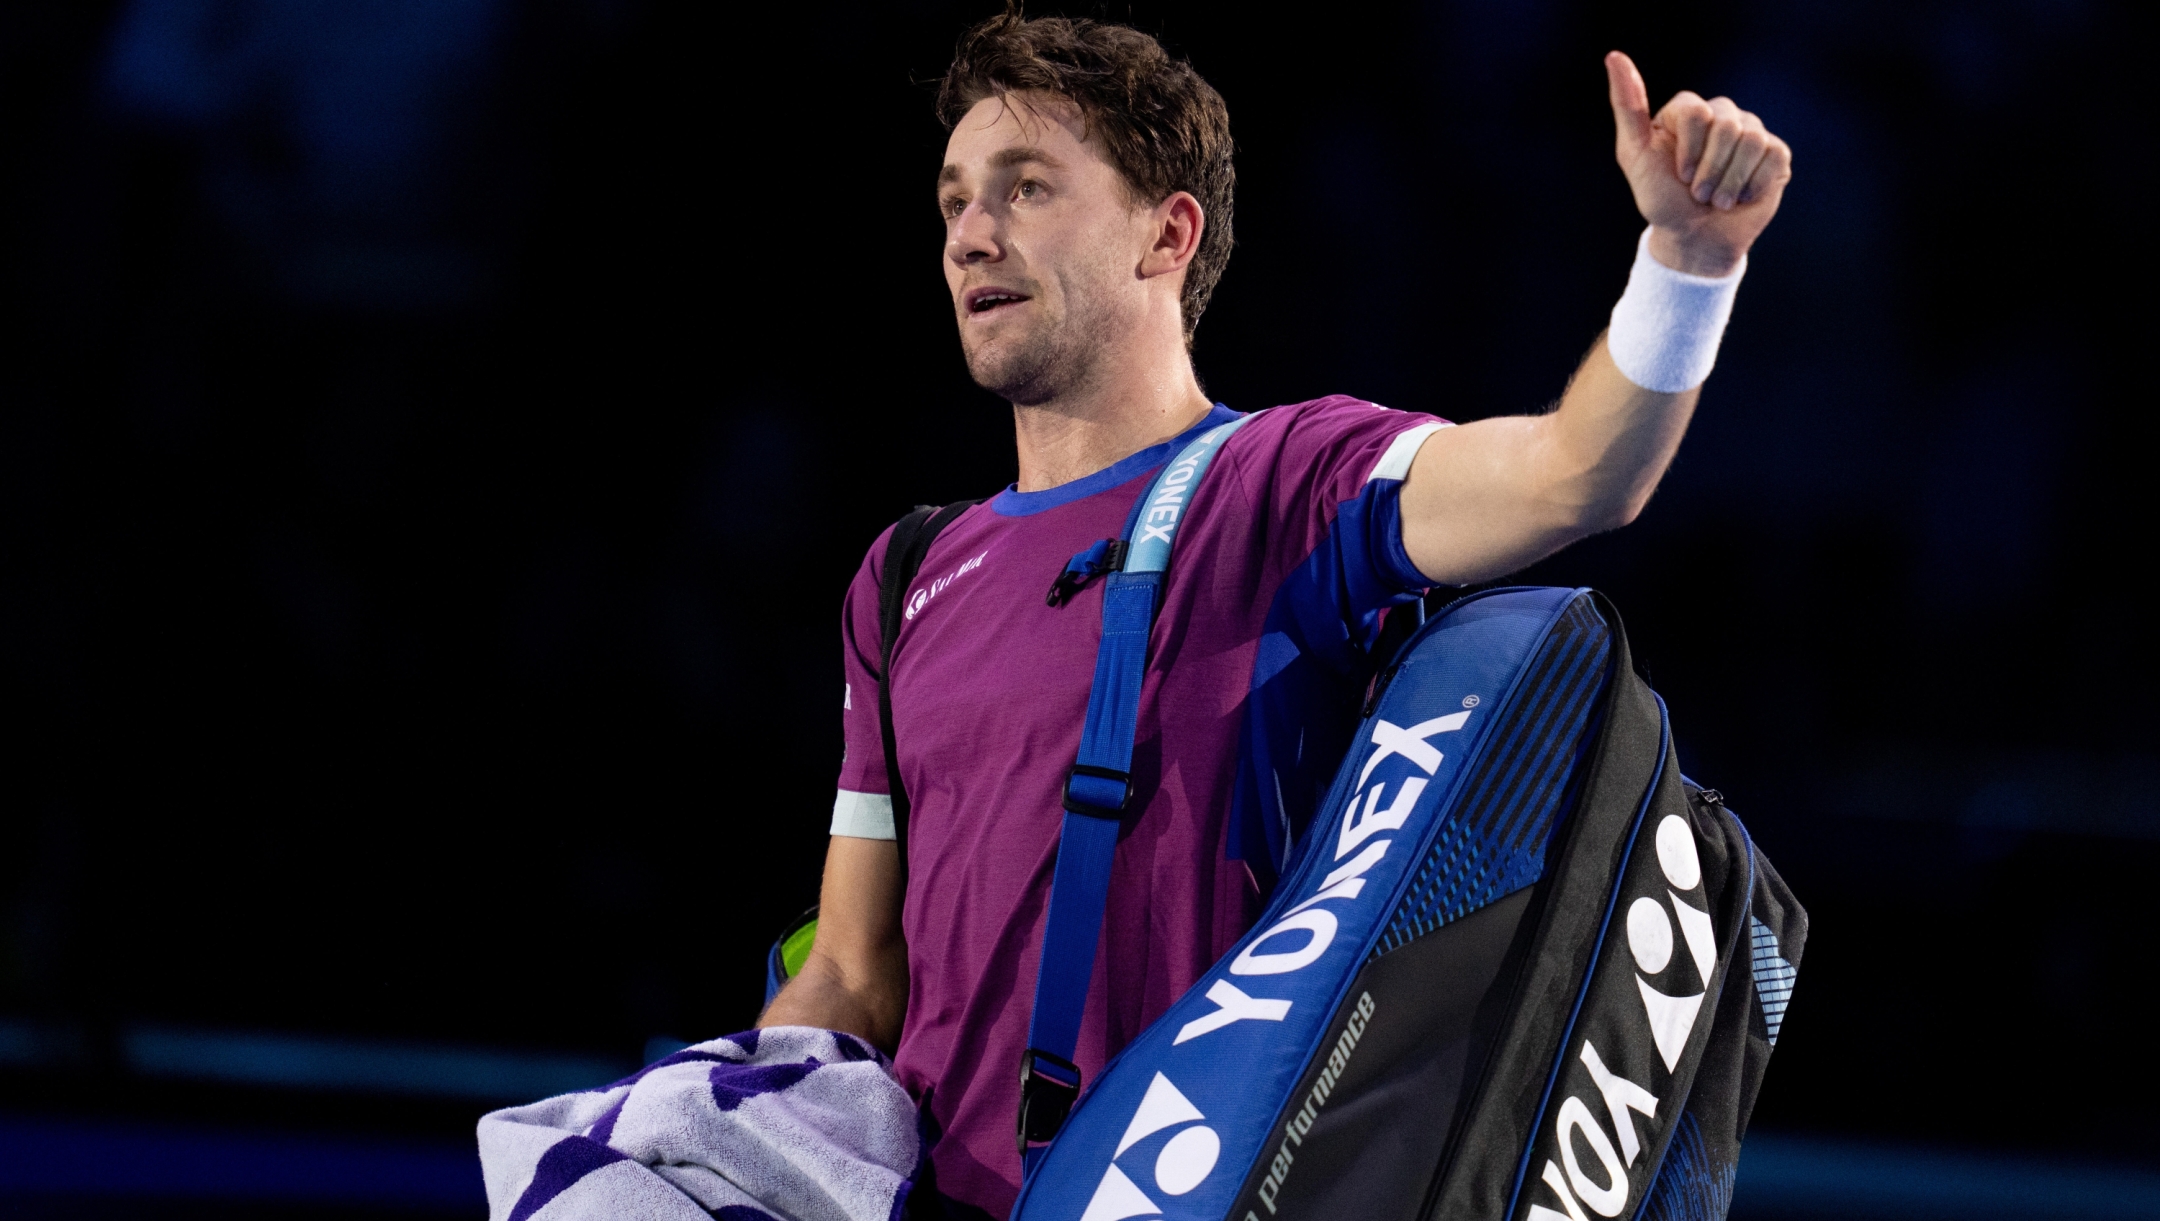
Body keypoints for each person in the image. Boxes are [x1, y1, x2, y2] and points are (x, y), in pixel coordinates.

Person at [758, 11, 1791, 1218]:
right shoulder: (902, 575)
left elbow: (1577, 474)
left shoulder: (1287, 481)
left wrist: (1687, 263)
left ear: (1168, 233)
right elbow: (849, 967)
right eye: (953, 202)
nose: (971, 235)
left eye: (1026, 189)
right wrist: (731, 1138)